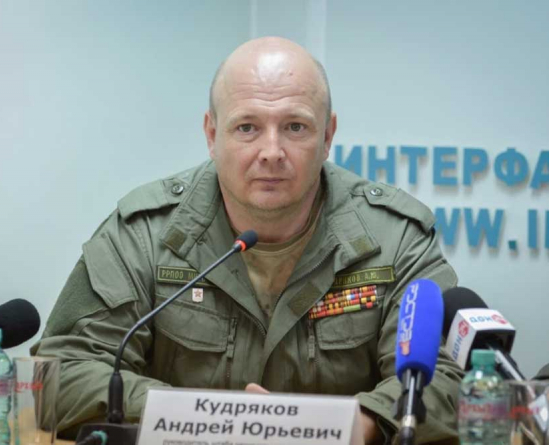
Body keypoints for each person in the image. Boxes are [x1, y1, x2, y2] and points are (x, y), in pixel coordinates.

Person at [32, 37, 463, 444]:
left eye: (295, 126)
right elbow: (62, 371)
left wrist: (353, 426)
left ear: (328, 136)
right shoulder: (145, 232)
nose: (271, 151)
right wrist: (211, 419)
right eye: (247, 127)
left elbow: (453, 378)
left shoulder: (395, 237)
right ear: (211, 134)